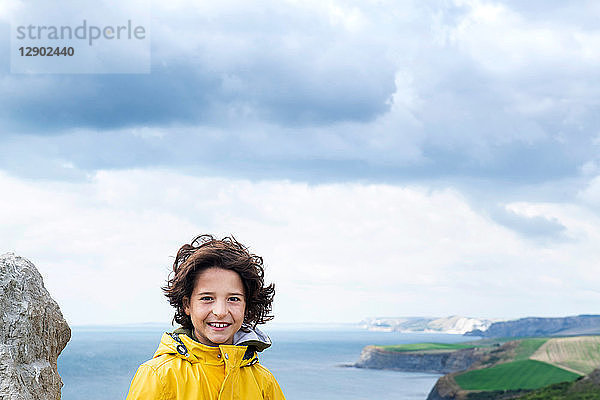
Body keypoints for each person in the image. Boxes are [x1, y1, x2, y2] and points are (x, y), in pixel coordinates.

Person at [126, 234, 286, 400]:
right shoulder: (158, 376)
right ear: (187, 305)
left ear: (247, 306)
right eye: (207, 298)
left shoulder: (264, 382)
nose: (220, 311)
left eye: (233, 299)